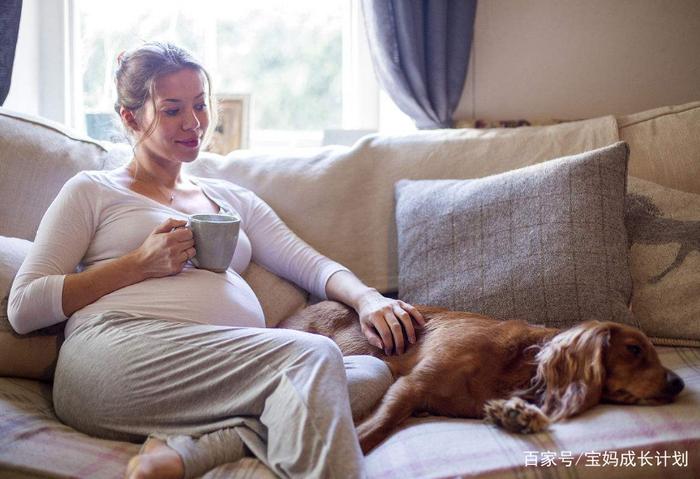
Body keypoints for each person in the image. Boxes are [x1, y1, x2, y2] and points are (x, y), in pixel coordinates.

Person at [8, 42, 424, 479]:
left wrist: (368, 300)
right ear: (131, 118)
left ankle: (189, 453)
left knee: (369, 372)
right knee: (314, 359)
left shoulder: (230, 199)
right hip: (115, 356)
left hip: (218, 374)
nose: (194, 123)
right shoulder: (92, 190)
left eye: (200, 105)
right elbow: (24, 307)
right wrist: (138, 263)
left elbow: (311, 265)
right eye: (171, 110)